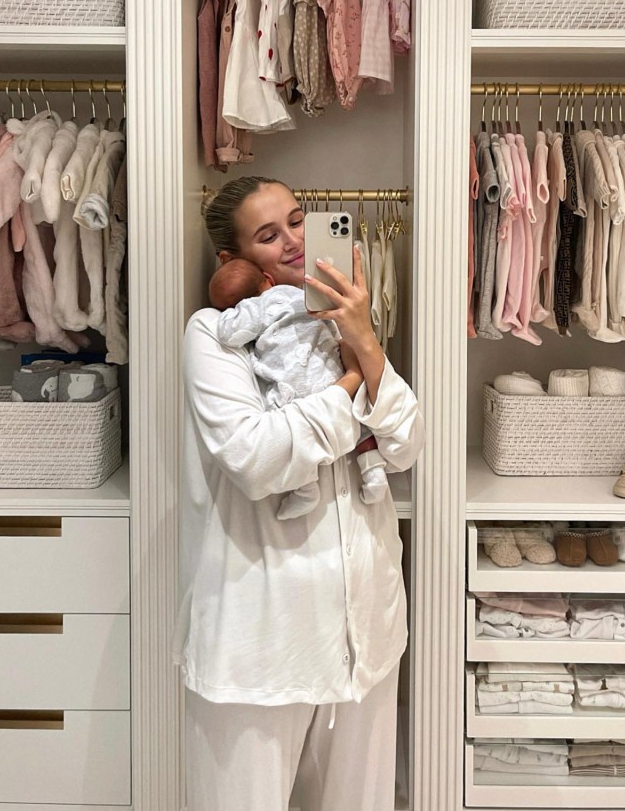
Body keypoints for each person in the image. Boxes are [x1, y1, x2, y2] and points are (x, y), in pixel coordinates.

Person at [172, 175, 424, 811]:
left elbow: (405, 445)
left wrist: (364, 340)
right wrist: (347, 384)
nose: (292, 240)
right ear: (232, 260)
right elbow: (257, 458)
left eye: (297, 219)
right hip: (264, 647)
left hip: (363, 635)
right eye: (268, 233)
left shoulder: (341, 319)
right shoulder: (214, 334)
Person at [209, 256, 391, 519]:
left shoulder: (253, 309)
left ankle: (306, 488)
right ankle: (373, 471)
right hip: (329, 368)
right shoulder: (298, 294)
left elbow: (229, 334)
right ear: (268, 279)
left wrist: (227, 313)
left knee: (289, 429)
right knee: (357, 415)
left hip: (294, 385)